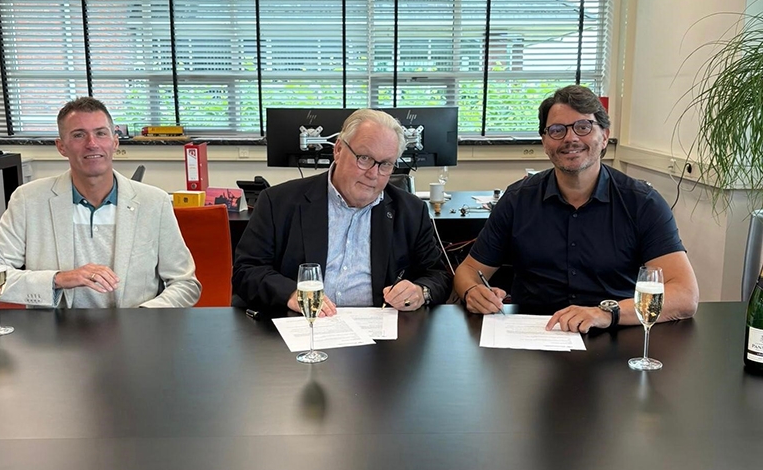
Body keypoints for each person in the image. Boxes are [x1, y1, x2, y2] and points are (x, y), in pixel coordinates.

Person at [454, 85, 698, 332]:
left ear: (604, 136)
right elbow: (469, 270)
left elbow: (685, 295)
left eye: (583, 127)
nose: (570, 138)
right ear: (545, 142)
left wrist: (606, 313)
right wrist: (473, 291)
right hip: (535, 335)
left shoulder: (642, 203)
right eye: (557, 130)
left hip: (616, 335)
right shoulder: (517, 199)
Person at [0, 97, 201, 308]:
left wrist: (142, 317)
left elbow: (185, 284)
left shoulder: (154, 202)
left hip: (133, 332)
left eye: (101, 133)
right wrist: (58, 279)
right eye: (79, 135)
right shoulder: (28, 200)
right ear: (61, 147)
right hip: (55, 333)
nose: (92, 143)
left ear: (115, 142)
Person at [233, 109, 452, 314]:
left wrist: (420, 292)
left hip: (380, 331)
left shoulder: (411, 211)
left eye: (385, 164)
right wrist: (291, 294)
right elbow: (247, 271)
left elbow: (437, 275)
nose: (373, 174)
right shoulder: (278, 202)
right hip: (303, 324)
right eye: (364, 158)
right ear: (338, 150)